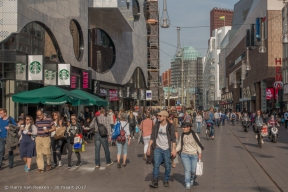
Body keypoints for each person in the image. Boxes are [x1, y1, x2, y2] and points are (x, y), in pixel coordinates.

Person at [147, 110, 177, 188]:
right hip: (158, 148)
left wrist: (174, 149)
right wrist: (148, 148)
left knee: (167, 165)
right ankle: (155, 180)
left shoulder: (170, 126)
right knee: (156, 165)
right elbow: (152, 137)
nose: (158, 117)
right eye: (158, 116)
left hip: (167, 149)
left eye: (160, 116)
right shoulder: (156, 125)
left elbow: (173, 139)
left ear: (164, 117)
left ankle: (166, 179)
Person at [176, 122, 203, 189]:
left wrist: (200, 153)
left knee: (193, 170)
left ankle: (192, 178)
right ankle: (187, 182)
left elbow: (198, 145)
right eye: (182, 127)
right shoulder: (182, 135)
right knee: (187, 169)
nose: (183, 128)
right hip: (184, 155)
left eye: (184, 127)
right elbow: (179, 144)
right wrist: (175, 151)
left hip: (194, 155)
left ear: (189, 127)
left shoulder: (195, 135)